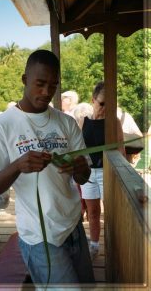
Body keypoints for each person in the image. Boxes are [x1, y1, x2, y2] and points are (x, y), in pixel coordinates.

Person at [0, 49, 95, 285]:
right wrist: (18, 166)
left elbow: (84, 177)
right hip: (39, 236)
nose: (46, 92)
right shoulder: (0, 126)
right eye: (40, 84)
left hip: (73, 226)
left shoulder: (66, 122)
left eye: (52, 86)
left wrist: (79, 167)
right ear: (25, 80)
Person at [80, 81, 125, 261]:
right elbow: (78, 148)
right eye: (102, 103)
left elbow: (121, 149)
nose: (105, 108)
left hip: (108, 172)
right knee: (92, 212)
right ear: (93, 100)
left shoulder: (113, 122)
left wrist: (120, 173)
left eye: (110, 104)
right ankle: (94, 246)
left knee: (112, 212)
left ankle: (114, 248)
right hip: (89, 174)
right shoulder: (83, 121)